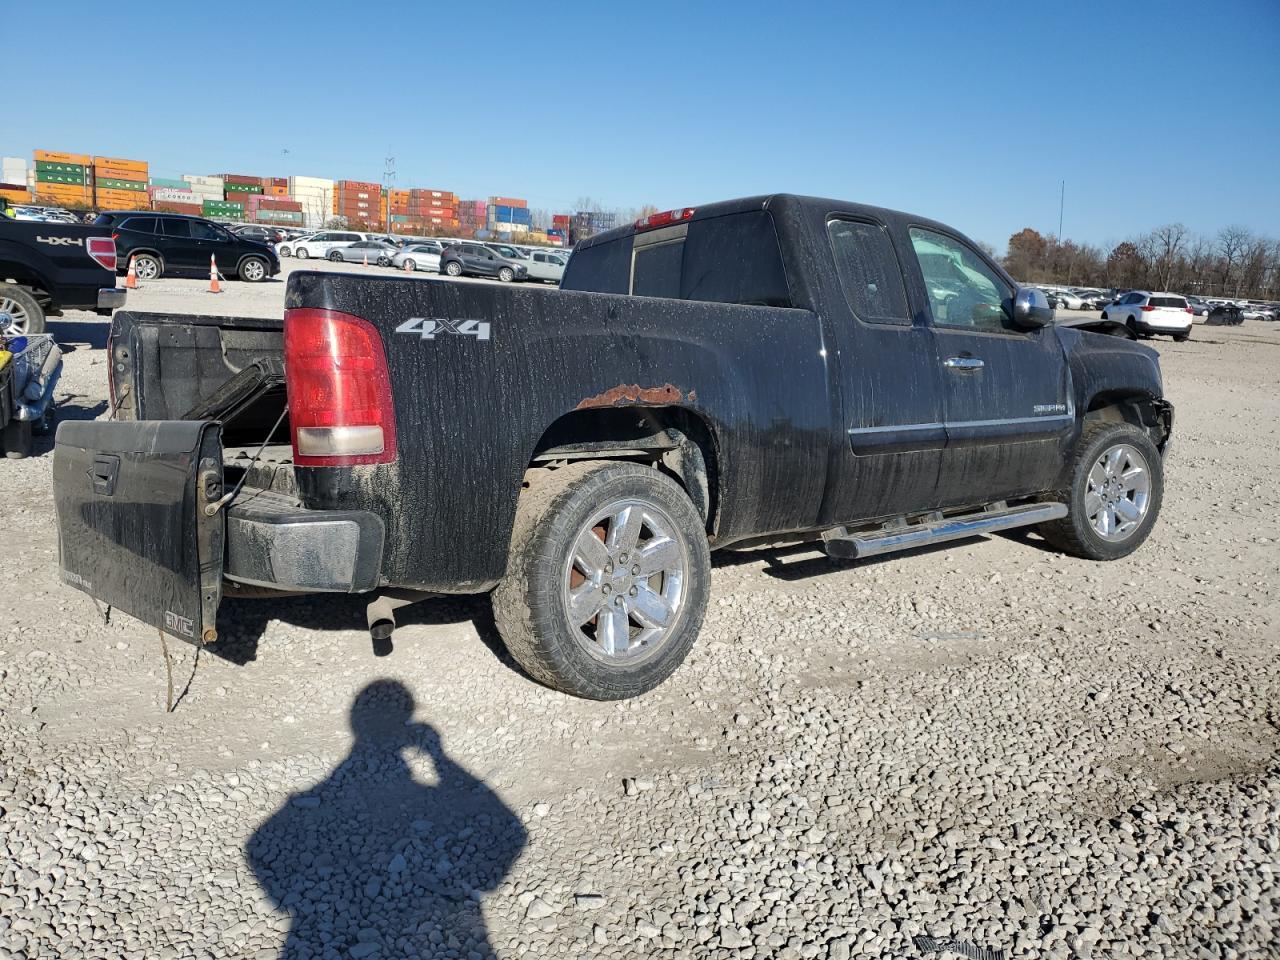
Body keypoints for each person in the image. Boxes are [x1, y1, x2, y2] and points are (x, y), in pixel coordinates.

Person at [247, 680, 526, 959]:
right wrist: (440, 759)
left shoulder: (325, 790)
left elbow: (257, 843)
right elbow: (513, 831)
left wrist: (292, 903)